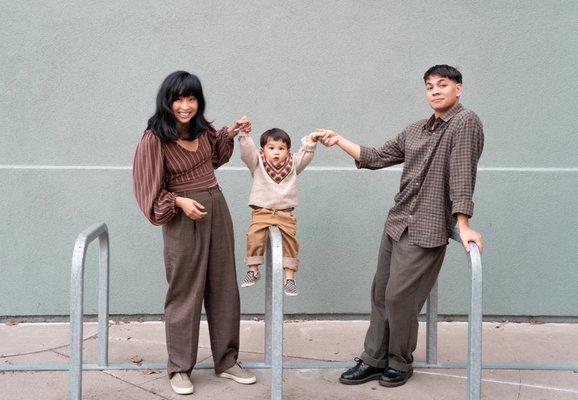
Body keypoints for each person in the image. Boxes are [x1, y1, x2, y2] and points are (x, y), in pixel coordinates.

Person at [318, 64, 484, 387]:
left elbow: (463, 175)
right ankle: (373, 359)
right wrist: (338, 140)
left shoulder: (466, 122)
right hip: (397, 223)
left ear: (458, 89)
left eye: (442, 85)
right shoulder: (416, 130)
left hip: (427, 226)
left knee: (399, 298)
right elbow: (376, 156)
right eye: (429, 86)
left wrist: (463, 224)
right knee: (380, 294)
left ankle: (399, 361)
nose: (435, 91)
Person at [132, 71, 256, 395]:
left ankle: (227, 361)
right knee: (184, 294)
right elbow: (149, 193)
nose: (185, 106)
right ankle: (179, 369)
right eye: (179, 99)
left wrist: (232, 130)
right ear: (167, 101)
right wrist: (179, 201)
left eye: (191, 98)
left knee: (224, 287)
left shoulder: (202, 130)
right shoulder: (154, 139)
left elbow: (216, 154)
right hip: (183, 220)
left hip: (217, 210)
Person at [237, 128, 322, 296]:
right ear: (263, 150)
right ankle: (253, 269)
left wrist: (311, 141)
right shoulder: (257, 162)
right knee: (254, 235)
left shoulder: (293, 163)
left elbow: (305, 156)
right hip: (262, 211)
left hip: (285, 213)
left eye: (281, 148)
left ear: (287, 151)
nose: (276, 152)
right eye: (271, 148)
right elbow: (247, 152)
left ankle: (289, 278)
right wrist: (244, 135)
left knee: (290, 242)